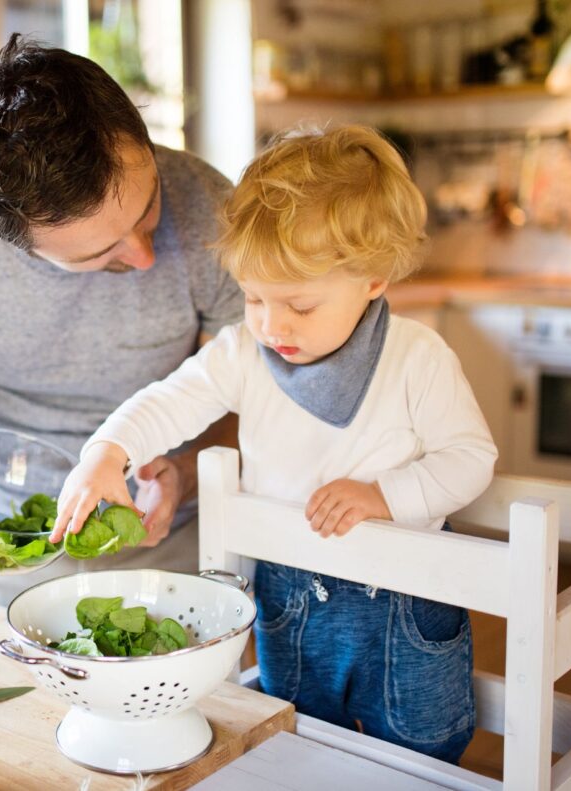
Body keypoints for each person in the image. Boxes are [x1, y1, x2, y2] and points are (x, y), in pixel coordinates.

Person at [51, 124, 498, 764]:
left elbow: (471, 459)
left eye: (298, 305)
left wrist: (384, 495)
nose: (271, 323)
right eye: (254, 296)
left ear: (372, 278)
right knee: (298, 742)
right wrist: (109, 451)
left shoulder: (417, 358)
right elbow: (170, 400)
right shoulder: (244, 352)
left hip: (403, 604)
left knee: (422, 752)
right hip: (291, 597)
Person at [0, 34, 243, 605]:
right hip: (8, 545)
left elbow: (251, 394)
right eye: (98, 255)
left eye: (148, 208)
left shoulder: (212, 208)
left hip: (180, 537)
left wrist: (185, 473)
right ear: (12, 242)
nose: (144, 257)